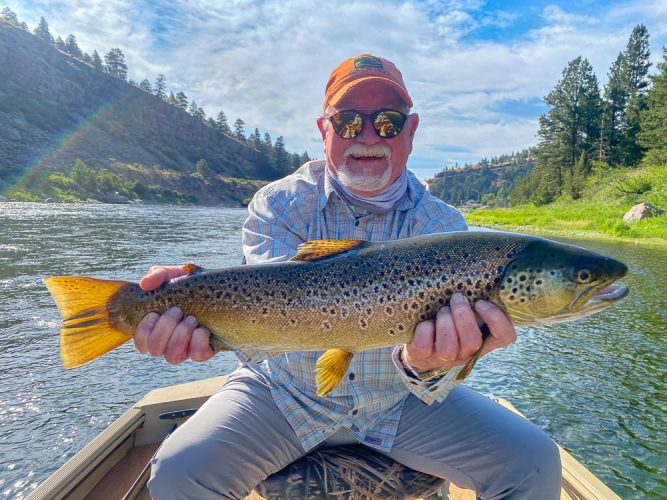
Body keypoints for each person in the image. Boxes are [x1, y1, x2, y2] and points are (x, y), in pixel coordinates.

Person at [139, 54, 561, 499]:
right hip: (284, 392)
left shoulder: (443, 226)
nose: (367, 136)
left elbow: (438, 372)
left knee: (532, 463)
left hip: (400, 400)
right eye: (347, 122)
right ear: (324, 130)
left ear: (410, 132)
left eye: (387, 122)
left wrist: (428, 365)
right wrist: (189, 299)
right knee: (177, 472)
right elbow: (268, 296)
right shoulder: (279, 205)